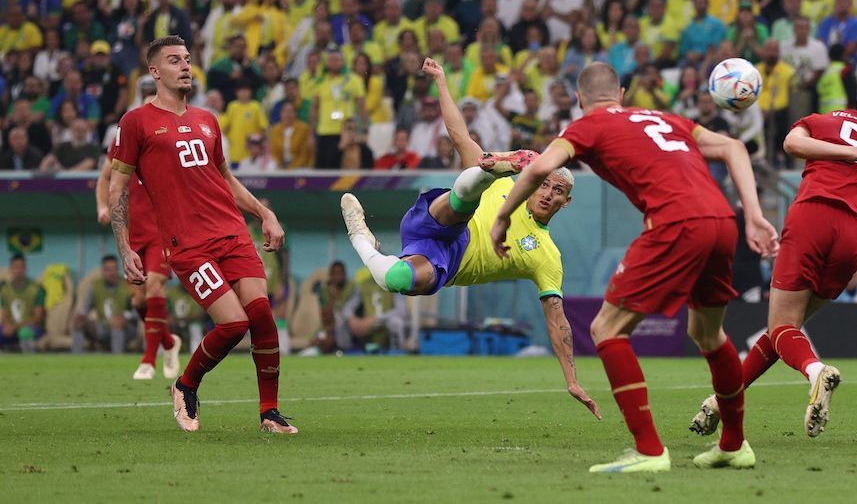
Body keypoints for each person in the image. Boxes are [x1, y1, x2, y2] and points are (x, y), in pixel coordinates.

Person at [490, 61, 777, 472]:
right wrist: (753, 215)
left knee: (606, 329)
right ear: (621, 95)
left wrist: (502, 218)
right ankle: (733, 445)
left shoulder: (586, 127)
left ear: (578, 100)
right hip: (720, 220)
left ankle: (649, 450)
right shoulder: (665, 118)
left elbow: (538, 167)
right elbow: (733, 147)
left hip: (677, 222)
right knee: (708, 333)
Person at [340, 58, 598, 419]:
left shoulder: (547, 256)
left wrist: (572, 379)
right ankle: (497, 164)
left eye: (557, 191)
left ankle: (359, 236)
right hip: (442, 217)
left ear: (565, 202)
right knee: (468, 192)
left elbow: (558, 320)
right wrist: (441, 81)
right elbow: (459, 134)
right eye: (543, 183)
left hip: (442, 259)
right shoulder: (509, 189)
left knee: (395, 279)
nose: (547, 193)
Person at [691, 72, 857, 441]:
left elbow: (792, 143)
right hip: (855, 237)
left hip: (813, 217)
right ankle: (721, 402)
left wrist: (849, 151)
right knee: (785, 330)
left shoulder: (826, 119)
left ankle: (815, 371)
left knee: (782, 328)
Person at [109, 35, 296, 434]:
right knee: (232, 324)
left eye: (189, 59)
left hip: (232, 232)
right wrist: (124, 248)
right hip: (188, 245)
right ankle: (185, 384)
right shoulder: (136, 122)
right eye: (175, 60)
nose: (186, 66)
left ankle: (269, 412)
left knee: (260, 312)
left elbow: (225, 178)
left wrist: (265, 213)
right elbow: (117, 189)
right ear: (155, 71)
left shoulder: (207, 119)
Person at [71, 255, 135, 355]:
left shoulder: (128, 285)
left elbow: (137, 312)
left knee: (117, 324)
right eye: (108, 270)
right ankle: (75, 360)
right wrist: (81, 316)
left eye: (114, 269)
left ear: (118, 270)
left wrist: (125, 317)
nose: (111, 273)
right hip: (102, 327)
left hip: (124, 328)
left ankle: (117, 360)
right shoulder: (95, 286)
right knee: (79, 322)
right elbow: (85, 310)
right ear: (103, 271)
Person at [0, 254, 46, 352]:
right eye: (15, 268)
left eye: (21, 267)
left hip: (32, 328)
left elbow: (38, 318)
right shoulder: (4, 289)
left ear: (25, 269)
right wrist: (7, 325)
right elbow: (4, 314)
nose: (18, 271)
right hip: (11, 328)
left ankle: (29, 361)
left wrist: (15, 327)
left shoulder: (36, 289)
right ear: (10, 269)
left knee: (24, 333)